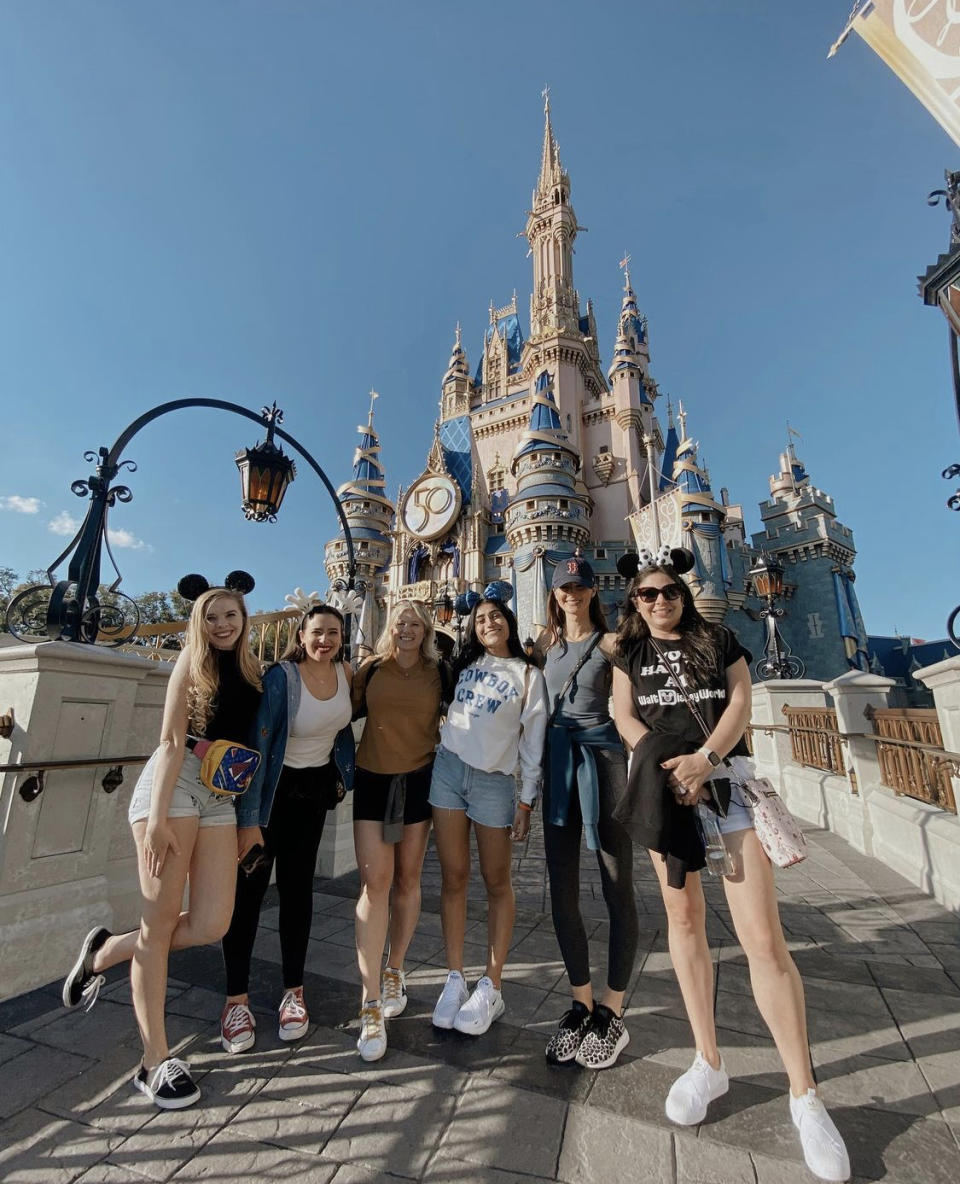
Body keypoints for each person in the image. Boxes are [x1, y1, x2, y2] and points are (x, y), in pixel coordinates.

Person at [612, 547, 850, 1183]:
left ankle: (805, 1094)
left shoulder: (720, 638)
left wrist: (705, 761)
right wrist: (663, 760)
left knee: (762, 940)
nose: (659, 600)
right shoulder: (628, 654)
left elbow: (741, 704)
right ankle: (708, 1061)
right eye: (646, 593)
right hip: (666, 790)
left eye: (669, 591)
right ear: (633, 600)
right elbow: (622, 713)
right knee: (684, 927)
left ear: (685, 593)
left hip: (725, 786)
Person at [62, 572, 262, 1110]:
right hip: (173, 787)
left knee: (213, 921)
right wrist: (155, 819)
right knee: (159, 922)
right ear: (200, 623)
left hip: (221, 794)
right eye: (212, 616)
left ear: (244, 620)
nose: (222, 624)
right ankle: (154, 1061)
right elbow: (171, 740)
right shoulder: (189, 664)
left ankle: (104, 951)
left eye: (231, 615)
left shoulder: (252, 668)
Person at [219, 599, 355, 1055]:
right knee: (250, 895)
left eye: (332, 633)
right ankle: (236, 1000)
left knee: (299, 892)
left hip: (312, 794)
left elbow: (342, 730)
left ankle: (293, 993)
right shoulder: (282, 679)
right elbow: (258, 748)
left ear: (342, 637)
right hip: (272, 794)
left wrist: (341, 775)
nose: (324, 640)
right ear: (301, 636)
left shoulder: (347, 674)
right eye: (316, 632)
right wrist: (249, 820)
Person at [429, 582, 548, 1036]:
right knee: (453, 877)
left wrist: (526, 800)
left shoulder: (527, 674)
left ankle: (492, 983)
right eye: (480, 619)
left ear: (509, 621)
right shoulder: (465, 665)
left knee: (497, 881)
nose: (488, 623)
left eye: (496, 616)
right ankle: (455, 977)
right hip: (448, 771)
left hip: (494, 782)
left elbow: (533, 742)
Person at [539, 555, 638, 1069]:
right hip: (558, 768)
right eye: (564, 587)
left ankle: (612, 1010)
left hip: (602, 764)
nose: (572, 594)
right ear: (554, 594)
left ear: (592, 591)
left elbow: (630, 711)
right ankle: (580, 1002)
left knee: (616, 883)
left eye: (580, 586)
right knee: (562, 888)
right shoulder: (546, 648)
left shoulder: (612, 643)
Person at [350, 600, 450, 1061]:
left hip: (418, 781)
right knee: (376, 883)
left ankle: (396, 968)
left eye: (414, 623)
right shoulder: (370, 670)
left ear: (426, 630)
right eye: (399, 622)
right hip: (372, 780)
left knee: (409, 879)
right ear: (390, 628)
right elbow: (337, 711)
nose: (406, 629)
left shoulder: (438, 673)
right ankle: (370, 1000)